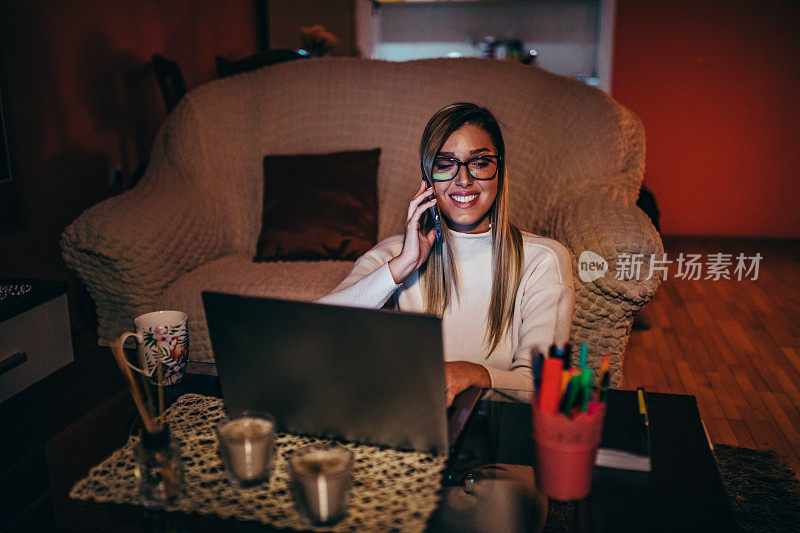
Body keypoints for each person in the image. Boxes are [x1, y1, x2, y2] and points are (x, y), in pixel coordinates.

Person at [317, 103, 574, 406]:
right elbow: (315, 329)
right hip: (407, 421)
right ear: (427, 178)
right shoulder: (393, 254)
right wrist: (402, 266)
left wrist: (475, 374)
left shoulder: (544, 260)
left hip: (494, 433)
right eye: (445, 164)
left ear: (500, 172)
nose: (463, 179)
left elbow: (543, 386)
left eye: (479, 162)